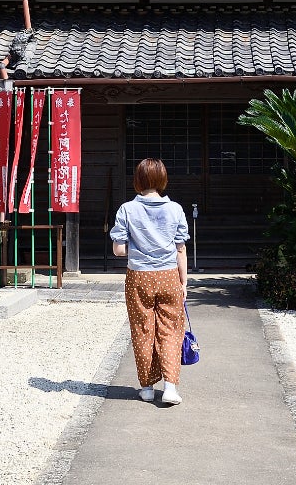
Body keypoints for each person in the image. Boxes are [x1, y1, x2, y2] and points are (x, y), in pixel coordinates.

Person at [110, 157, 190, 405]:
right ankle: (170, 387)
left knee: (142, 330)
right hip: (169, 276)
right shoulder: (175, 209)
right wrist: (183, 283)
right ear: (163, 179)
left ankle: (146, 387)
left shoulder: (126, 209)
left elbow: (119, 251)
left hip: (139, 277)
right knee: (170, 330)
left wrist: (137, 245)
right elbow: (181, 250)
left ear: (138, 181)